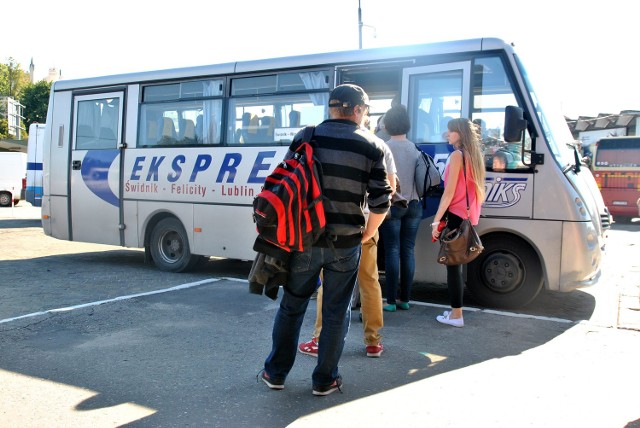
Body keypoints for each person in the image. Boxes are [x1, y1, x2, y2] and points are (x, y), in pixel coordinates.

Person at [259, 84, 392, 396]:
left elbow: (285, 183)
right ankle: (324, 380)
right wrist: (367, 233)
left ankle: (275, 373)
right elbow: (382, 201)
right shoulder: (371, 145)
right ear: (359, 110)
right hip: (346, 244)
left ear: (332, 108)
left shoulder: (306, 136)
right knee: (335, 312)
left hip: (303, 239)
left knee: (292, 307)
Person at [298, 120, 397, 359]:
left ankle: (320, 339)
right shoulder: (380, 146)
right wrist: (371, 228)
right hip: (368, 224)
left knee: (329, 284)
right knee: (370, 281)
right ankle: (374, 342)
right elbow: (389, 188)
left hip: (334, 226)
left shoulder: (327, 141)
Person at [431, 118, 486, 328]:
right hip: (467, 218)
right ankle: (456, 311)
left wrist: (436, 222)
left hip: (454, 216)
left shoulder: (456, 156)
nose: (448, 134)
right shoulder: (474, 157)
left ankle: (456, 315)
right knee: (457, 266)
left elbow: (449, 193)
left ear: (460, 134)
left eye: (451, 131)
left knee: (453, 266)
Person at [378, 104, 423, 312]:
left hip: (394, 205)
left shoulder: (384, 147)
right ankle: (405, 299)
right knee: (408, 250)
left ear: (387, 125)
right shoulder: (414, 148)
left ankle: (391, 301)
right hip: (414, 204)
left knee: (392, 250)